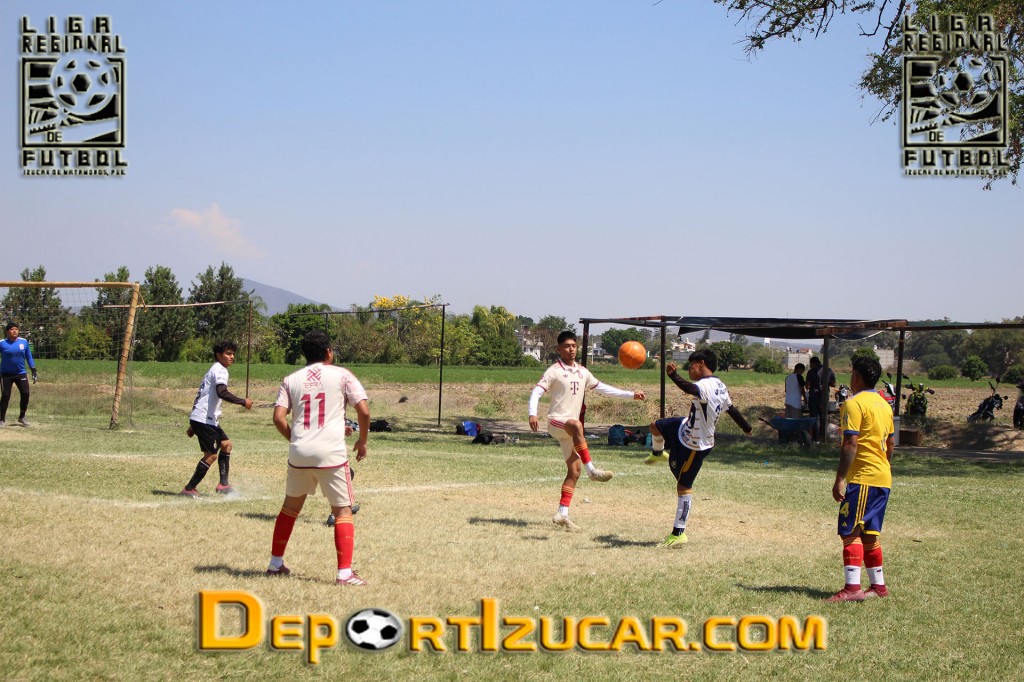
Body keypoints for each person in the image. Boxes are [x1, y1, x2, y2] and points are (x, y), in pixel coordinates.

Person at [266, 330, 371, 585]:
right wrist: (362, 441)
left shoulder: (290, 379)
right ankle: (344, 573)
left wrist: (295, 440)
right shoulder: (342, 375)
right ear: (328, 352)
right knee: (343, 511)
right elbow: (364, 411)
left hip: (299, 453)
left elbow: (278, 418)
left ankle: (275, 564)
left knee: (289, 509)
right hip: (330, 454)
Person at [529, 330, 645, 531]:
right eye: (567, 346)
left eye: (574, 346)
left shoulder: (583, 372)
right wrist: (533, 413)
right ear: (558, 349)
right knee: (577, 425)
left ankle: (562, 513)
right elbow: (537, 392)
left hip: (570, 430)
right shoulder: (554, 371)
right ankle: (592, 470)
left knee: (574, 471)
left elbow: (603, 388)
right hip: (556, 422)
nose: (571, 349)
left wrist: (631, 395)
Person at [647, 349, 752, 546]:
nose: (689, 369)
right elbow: (731, 409)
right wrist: (746, 427)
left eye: (691, 365)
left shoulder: (705, 385)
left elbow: (690, 389)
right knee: (655, 426)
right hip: (685, 427)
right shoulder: (720, 385)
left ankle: (679, 533)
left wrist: (673, 375)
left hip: (696, 444)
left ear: (701, 363)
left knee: (683, 486)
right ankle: (658, 452)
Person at [826, 356, 894, 602]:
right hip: (882, 478)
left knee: (851, 531)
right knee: (870, 534)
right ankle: (879, 587)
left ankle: (852, 588)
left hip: (863, 477)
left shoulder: (853, 404)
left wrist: (840, 478)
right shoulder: (885, 405)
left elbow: (850, 443)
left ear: (856, 376)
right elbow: (891, 444)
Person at [180, 341, 253, 498]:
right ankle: (189, 489)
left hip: (206, 419)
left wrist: (193, 425)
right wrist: (243, 402)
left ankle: (223, 485)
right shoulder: (220, 370)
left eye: (233, 353)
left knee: (226, 445)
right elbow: (222, 392)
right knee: (211, 455)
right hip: (204, 419)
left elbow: (203, 396)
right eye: (228, 353)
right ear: (218, 355)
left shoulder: (214, 369)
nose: (232, 357)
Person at [0, 323, 37, 427]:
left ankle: (22, 417)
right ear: (7, 332)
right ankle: (1, 419)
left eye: (16, 329)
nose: (15, 331)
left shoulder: (23, 342)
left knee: (25, 393)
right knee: (5, 395)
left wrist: (33, 369)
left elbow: (28, 356)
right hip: (5, 374)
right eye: (12, 329)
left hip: (20, 373)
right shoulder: (2, 343)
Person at [806, 356, 836, 437]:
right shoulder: (829, 370)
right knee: (823, 416)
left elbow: (807, 386)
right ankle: (823, 436)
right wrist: (826, 383)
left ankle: (815, 438)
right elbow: (833, 384)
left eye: (811, 364)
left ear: (813, 363)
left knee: (814, 417)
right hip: (824, 396)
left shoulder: (811, 371)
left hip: (814, 397)